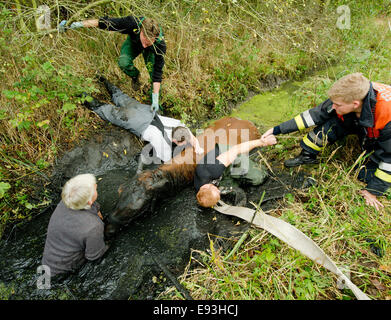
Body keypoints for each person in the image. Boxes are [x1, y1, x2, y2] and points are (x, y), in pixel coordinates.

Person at [261, 73, 391, 210]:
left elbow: (389, 160)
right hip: (366, 119)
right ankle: (307, 156)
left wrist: (373, 191)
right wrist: (277, 130)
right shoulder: (350, 94)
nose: (333, 106)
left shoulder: (386, 116)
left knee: (365, 175)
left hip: (385, 136)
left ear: (355, 104)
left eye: (338, 104)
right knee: (333, 122)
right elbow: (314, 115)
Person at [83, 76, 203, 165]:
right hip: (133, 119)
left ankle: (103, 79)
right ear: (174, 140)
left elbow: (189, 134)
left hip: (144, 110)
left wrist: (197, 147)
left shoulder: (177, 125)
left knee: (121, 97)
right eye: (180, 143)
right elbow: (167, 163)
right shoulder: (163, 144)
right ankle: (82, 96)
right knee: (107, 111)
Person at [59, 15, 166, 112]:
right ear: (141, 31)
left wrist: (155, 99)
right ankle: (135, 76)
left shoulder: (160, 45)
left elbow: (157, 74)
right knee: (123, 63)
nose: (145, 45)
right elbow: (104, 22)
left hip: (152, 51)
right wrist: (74, 25)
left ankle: (155, 105)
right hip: (133, 43)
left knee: (153, 75)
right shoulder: (132, 23)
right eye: (145, 40)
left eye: (149, 42)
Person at [42, 174, 108, 278]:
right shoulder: (93, 227)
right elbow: (94, 256)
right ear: (89, 201)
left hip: (47, 263)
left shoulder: (66, 202)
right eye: (94, 188)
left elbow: (92, 205)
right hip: (63, 272)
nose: (96, 185)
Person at [195, 135, 277, 208]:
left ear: (206, 187)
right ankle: (236, 175)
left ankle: (247, 165)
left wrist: (262, 142)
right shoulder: (201, 189)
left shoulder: (213, 170)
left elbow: (236, 149)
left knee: (258, 177)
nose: (218, 191)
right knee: (231, 190)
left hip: (226, 154)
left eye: (216, 190)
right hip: (221, 172)